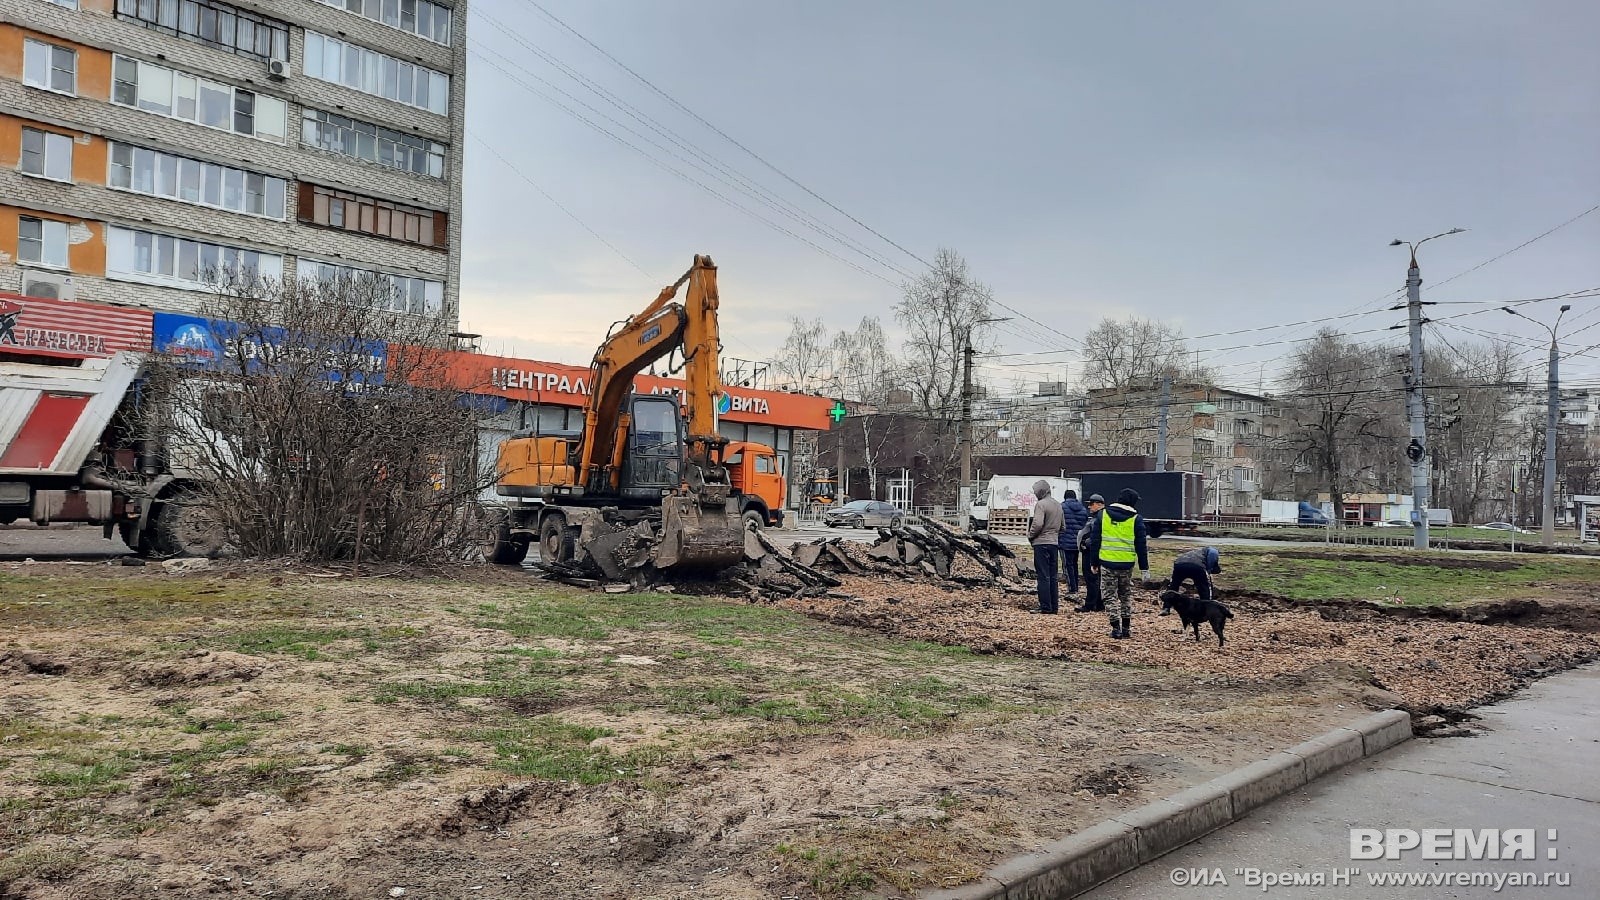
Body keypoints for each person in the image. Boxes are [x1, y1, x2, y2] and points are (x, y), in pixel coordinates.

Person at [1081, 487, 1152, 638]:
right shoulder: (1136, 519)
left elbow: (1095, 541)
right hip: (1127, 564)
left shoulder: (1103, 515)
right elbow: (1141, 546)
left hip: (1107, 562)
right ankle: (1126, 628)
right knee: (1125, 595)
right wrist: (1144, 568)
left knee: (1109, 596)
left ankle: (1115, 628)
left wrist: (1093, 562)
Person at [1027, 479, 1064, 614]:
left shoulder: (1041, 505)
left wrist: (1030, 536)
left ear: (1040, 492)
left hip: (1041, 544)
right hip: (1054, 543)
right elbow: (1063, 526)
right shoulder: (1058, 505)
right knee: (1053, 576)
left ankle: (1045, 607)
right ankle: (1054, 607)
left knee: (1043, 576)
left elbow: (1037, 524)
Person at [1076, 494, 1106, 613]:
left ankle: (1090, 604)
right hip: (1092, 551)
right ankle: (1098, 604)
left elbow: (1097, 536)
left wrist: (1086, 543)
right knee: (1095, 579)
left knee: (1092, 579)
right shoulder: (1098, 516)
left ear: (1099, 504)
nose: (1089, 507)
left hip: (1092, 552)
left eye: (1092, 504)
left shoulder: (1100, 517)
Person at [1058, 489, 1088, 597]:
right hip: (1077, 542)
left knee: (1067, 565)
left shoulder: (1061, 507)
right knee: (1074, 564)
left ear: (1065, 497)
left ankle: (1072, 588)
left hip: (1064, 541)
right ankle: (1076, 586)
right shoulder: (1083, 509)